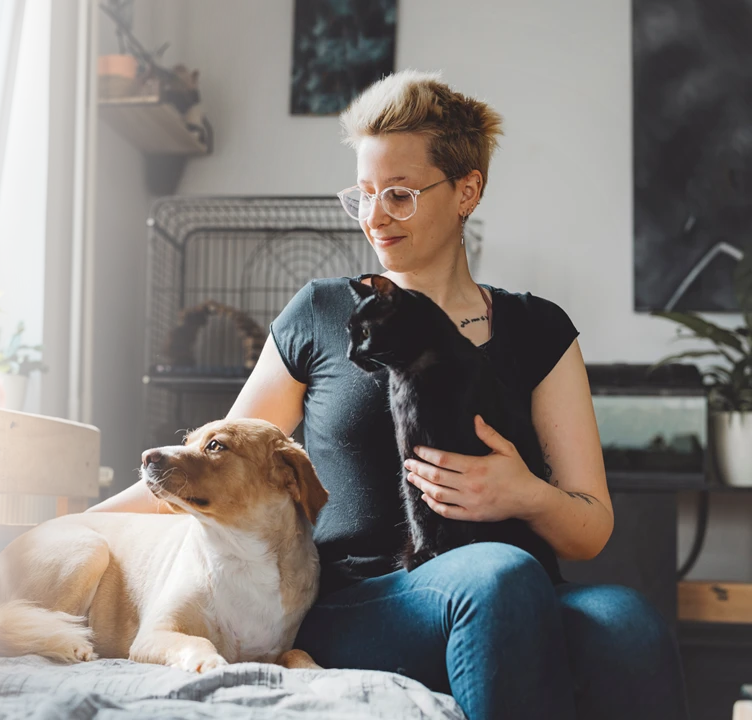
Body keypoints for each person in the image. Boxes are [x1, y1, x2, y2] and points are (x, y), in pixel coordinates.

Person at [88, 69, 690, 720]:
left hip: (520, 586)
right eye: (364, 195)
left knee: (628, 623)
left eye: (399, 195)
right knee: (499, 575)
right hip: (361, 600)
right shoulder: (321, 313)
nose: (375, 217)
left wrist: (526, 494)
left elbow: (591, 528)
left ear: (466, 191)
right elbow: (210, 463)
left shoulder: (539, 328)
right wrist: (75, 525)